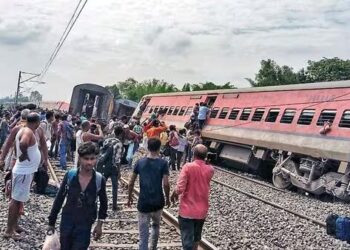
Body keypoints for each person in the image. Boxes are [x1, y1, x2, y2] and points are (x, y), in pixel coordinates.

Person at [48, 142, 107, 250]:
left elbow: (104, 204)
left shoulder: (99, 179)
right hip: (67, 221)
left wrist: (99, 225)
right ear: (80, 158)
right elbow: (59, 199)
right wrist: (51, 222)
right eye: (86, 158)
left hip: (85, 223)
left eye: (92, 158)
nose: (89, 162)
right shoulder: (70, 175)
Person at [4, 112, 42, 240]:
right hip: (23, 172)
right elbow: (23, 144)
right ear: (37, 122)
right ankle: (9, 230)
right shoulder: (28, 132)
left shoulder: (24, 129)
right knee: (15, 201)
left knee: (18, 200)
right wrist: (24, 155)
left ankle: (14, 226)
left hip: (24, 171)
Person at [127, 138, 170, 250]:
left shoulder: (140, 162)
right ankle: (153, 247)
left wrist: (129, 197)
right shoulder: (163, 163)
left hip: (143, 202)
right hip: (158, 201)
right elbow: (166, 184)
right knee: (156, 226)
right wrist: (168, 198)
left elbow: (131, 182)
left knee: (143, 233)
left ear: (147, 147)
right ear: (159, 148)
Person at [171, 144, 214, 250]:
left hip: (187, 211)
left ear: (193, 154)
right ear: (205, 156)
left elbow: (180, 188)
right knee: (196, 238)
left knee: (187, 242)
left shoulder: (188, 166)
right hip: (202, 211)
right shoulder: (210, 169)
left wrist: (174, 193)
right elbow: (207, 171)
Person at [96, 126, 123, 211]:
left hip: (104, 166)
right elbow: (117, 159)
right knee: (115, 186)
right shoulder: (119, 143)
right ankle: (114, 206)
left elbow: (102, 153)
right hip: (113, 167)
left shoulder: (107, 140)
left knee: (100, 185)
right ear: (121, 134)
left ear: (114, 132)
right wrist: (119, 171)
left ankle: (94, 202)